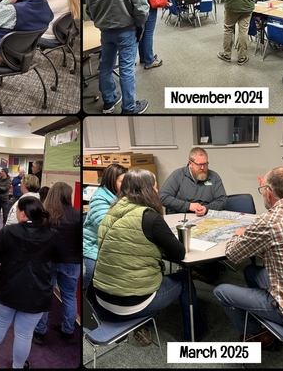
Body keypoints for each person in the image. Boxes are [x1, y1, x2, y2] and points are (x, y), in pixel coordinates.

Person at [212, 167, 283, 347]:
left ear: (267, 193)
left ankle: (255, 335)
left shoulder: (267, 222)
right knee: (251, 271)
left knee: (221, 291)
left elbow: (232, 254)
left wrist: (238, 234)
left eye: (263, 190)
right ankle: (263, 322)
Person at [95, 168, 206, 344]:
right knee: (185, 279)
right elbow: (179, 252)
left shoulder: (111, 212)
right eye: (154, 187)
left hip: (101, 297)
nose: (157, 191)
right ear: (147, 190)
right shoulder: (149, 217)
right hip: (130, 303)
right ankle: (194, 335)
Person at [0, 195, 56, 369]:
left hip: (7, 287)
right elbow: (58, 259)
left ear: (23, 214)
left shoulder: (8, 231)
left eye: (17, 209)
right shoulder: (52, 234)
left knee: (0, 323)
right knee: (24, 334)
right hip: (37, 292)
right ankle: (18, 366)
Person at [88, 0, 150, 114]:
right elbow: (142, 9)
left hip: (105, 31)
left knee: (105, 65)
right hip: (126, 30)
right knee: (126, 68)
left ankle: (109, 100)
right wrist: (139, 24)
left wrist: (101, 20)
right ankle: (129, 107)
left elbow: (89, 9)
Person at [34, 183, 82, 344]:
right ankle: (67, 331)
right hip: (71, 262)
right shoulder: (78, 214)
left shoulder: (43, 216)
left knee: (44, 296)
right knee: (69, 296)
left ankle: (40, 331)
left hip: (47, 262)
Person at [82, 164, 126, 291]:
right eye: (122, 181)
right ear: (111, 181)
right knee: (94, 275)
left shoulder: (121, 194)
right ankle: (88, 299)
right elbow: (107, 228)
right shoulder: (99, 198)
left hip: (113, 244)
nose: (125, 185)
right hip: (94, 246)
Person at [160, 147, 227, 215]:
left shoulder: (214, 177)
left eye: (205, 164)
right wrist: (188, 206)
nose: (202, 168)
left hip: (205, 218)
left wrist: (206, 208)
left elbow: (222, 200)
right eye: (199, 164)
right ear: (190, 163)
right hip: (181, 217)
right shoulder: (178, 175)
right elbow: (163, 197)